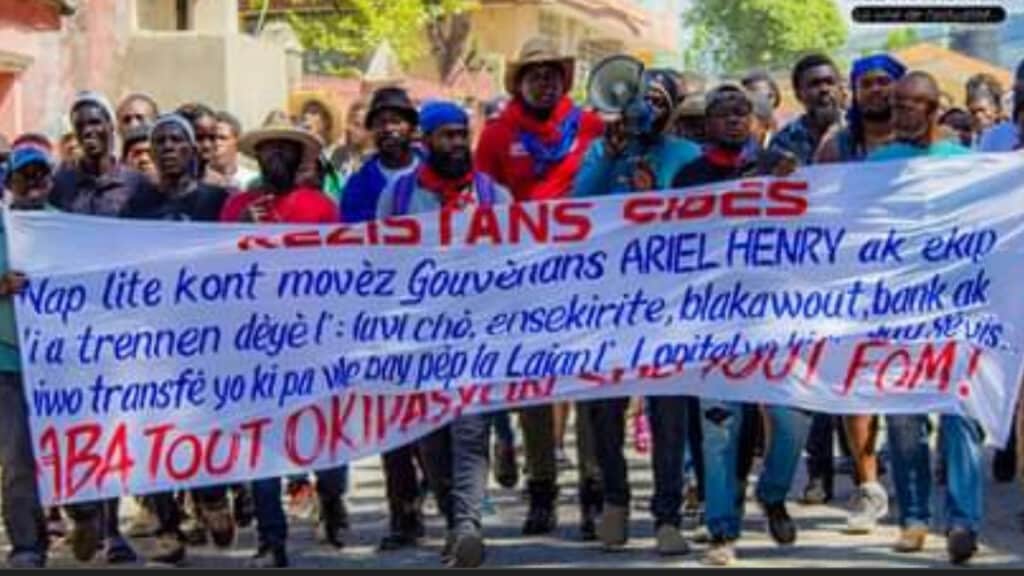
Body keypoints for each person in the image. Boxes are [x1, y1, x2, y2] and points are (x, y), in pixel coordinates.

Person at [671, 84, 812, 566]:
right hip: (712, 320)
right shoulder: (690, 177)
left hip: (773, 316)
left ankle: (772, 493)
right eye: (723, 113)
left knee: (794, 418)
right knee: (719, 427)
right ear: (707, 124)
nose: (734, 120)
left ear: (755, 122)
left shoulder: (783, 167)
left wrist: (793, 186)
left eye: (742, 113)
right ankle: (721, 530)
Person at [475, 37, 603, 536]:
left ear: (564, 80)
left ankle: (595, 490)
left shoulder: (592, 127)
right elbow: (483, 203)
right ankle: (542, 491)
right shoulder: (496, 133)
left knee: (592, 382)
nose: (545, 80)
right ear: (518, 82)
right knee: (533, 387)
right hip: (524, 278)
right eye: (535, 73)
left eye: (553, 72)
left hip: (587, 276)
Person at [376, 101, 513, 567]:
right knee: (432, 439)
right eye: (446, 135)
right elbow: (378, 265)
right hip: (421, 340)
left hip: (476, 339)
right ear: (426, 141)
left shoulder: (496, 197)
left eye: (462, 134)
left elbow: (516, 266)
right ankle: (454, 518)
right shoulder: (397, 198)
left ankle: (466, 526)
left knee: (470, 433)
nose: (457, 144)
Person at [573, 67, 700, 555]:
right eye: (637, 98)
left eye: (655, 98)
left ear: (672, 106)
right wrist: (610, 153)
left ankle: (667, 515)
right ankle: (615, 502)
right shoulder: (601, 153)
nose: (645, 107)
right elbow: (579, 204)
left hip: (667, 305)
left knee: (668, 413)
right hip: (607, 304)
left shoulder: (686, 156)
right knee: (604, 410)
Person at [865, 71, 981, 565]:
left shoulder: (968, 165)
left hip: (958, 307)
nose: (901, 114)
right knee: (905, 420)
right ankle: (913, 518)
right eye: (895, 105)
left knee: (962, 418)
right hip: (899, 308)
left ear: (934, 109)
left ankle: (963, 521)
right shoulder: (878, 163)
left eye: (912, 105)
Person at [220, 120, 346, 568]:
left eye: (285, 149)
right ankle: (272, 538)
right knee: (262, 447)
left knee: (324, 438)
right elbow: (212, 270)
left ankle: (332, 499)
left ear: (298, 158)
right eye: (268, 149)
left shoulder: (322, 208)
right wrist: (239, 231)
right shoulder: (237, 206)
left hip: (313, 341)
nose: (276, 156)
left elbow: (343, 271)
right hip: (255, 343)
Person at [118, 114, 232, 564]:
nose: (167, 147)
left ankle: (211, 497)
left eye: (176, 141)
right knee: (156, 431)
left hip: (208, 338)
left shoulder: (217, 202)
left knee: (204, 424)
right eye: (159, 140)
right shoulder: (135, 207)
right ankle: (167, 525)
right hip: (153, 340)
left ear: (192, 151)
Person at [49, 91, 155, 565]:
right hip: (70, 327)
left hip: (121, 326)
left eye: (98, 124)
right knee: (76, 423)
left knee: (113, 429)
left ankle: (113, 531)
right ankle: (82, 510)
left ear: (112, 130)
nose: (91, 133)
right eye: (82, 126)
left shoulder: (136, 185)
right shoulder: (59, 185)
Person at [813, 53, 908, 534]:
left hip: (914, 281)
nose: (877, 91)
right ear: (855, 90)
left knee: (912, 386)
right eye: (867, 83)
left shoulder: (930, 143)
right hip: (854, 282)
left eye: (885, 82)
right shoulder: (837, 146)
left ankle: (912, 485)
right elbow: (816, 211)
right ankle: (869, 487)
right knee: (857, 384)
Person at [769, 54, 844, 504]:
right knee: (813, 377)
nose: (824, 90)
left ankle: (864, 468)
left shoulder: (861, 137)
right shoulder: (784, 142)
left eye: (830, 82)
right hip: (803, 275)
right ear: (799, 93)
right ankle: (818, 471)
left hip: (856, 268)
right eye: (814, 84)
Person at [0, 135, 53, 568]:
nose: (34, 183)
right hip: (9, 361)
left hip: (63, 364)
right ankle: (27, 544)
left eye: (42, 175)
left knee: (72, 446)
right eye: (25, 175)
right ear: (10, 182)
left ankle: (90, 516)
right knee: (18, 458)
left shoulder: (69, 227)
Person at [340, 87, 421, 223]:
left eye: (396, 121)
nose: (388, 129)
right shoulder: (358, 185)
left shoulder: (435, 171)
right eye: (381, 123)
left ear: (411, 127)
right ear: (372, 130)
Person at [177, 102, 224, 185]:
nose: (207, 145)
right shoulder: (160, 184)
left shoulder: (220, 185)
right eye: (198, 138)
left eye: (212, 137)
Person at [212, 110, 258, 190]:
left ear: (238, 143)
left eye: (222, 138)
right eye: (212, 138)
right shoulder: (196, 181)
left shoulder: (251, 182)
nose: (216, 143)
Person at [330, 99, 372, 184]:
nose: (352, 129)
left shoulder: (377, 161)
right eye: (354, 124)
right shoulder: (339, 153)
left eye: (360, 126)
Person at [965, 73, 1004, 143]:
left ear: (997, 108)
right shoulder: (962, 140)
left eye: (982, 110)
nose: (978, 116)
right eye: (973, 112)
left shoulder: (1009, 143)